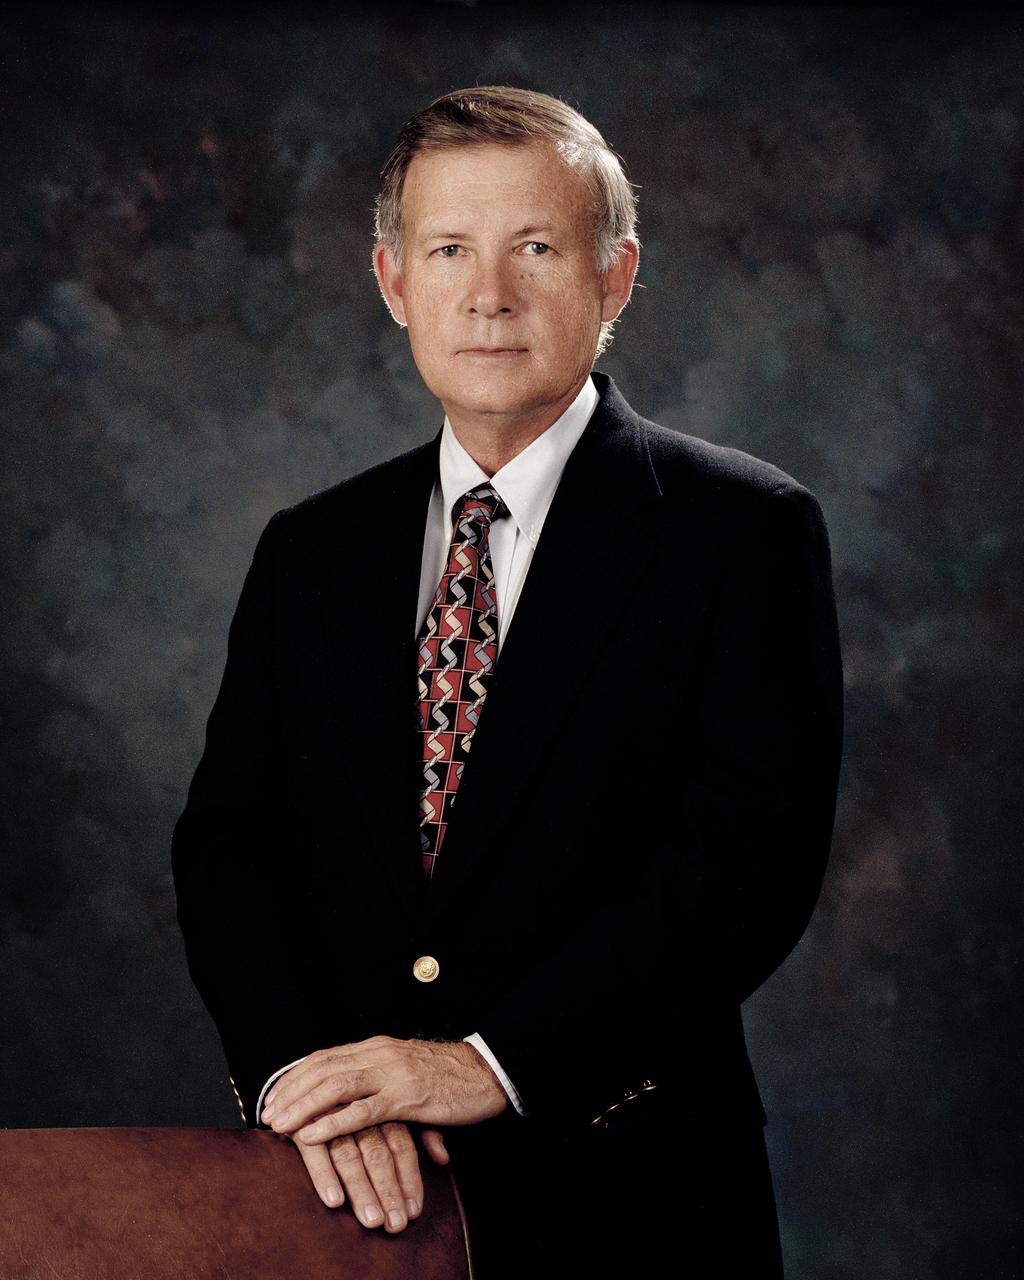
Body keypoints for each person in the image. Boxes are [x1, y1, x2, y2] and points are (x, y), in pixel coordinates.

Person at [172, 85, 843, 1277]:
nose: (488, 293)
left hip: (633, 1198)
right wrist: (302, 1079)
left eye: (535, 247)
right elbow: (231, 847)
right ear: (394, 282)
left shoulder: (740, 530)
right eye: (448, 250)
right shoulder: (311, 549)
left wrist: (486, 1061)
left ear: (613, 278)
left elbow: (746, 863)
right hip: (343, 1200)